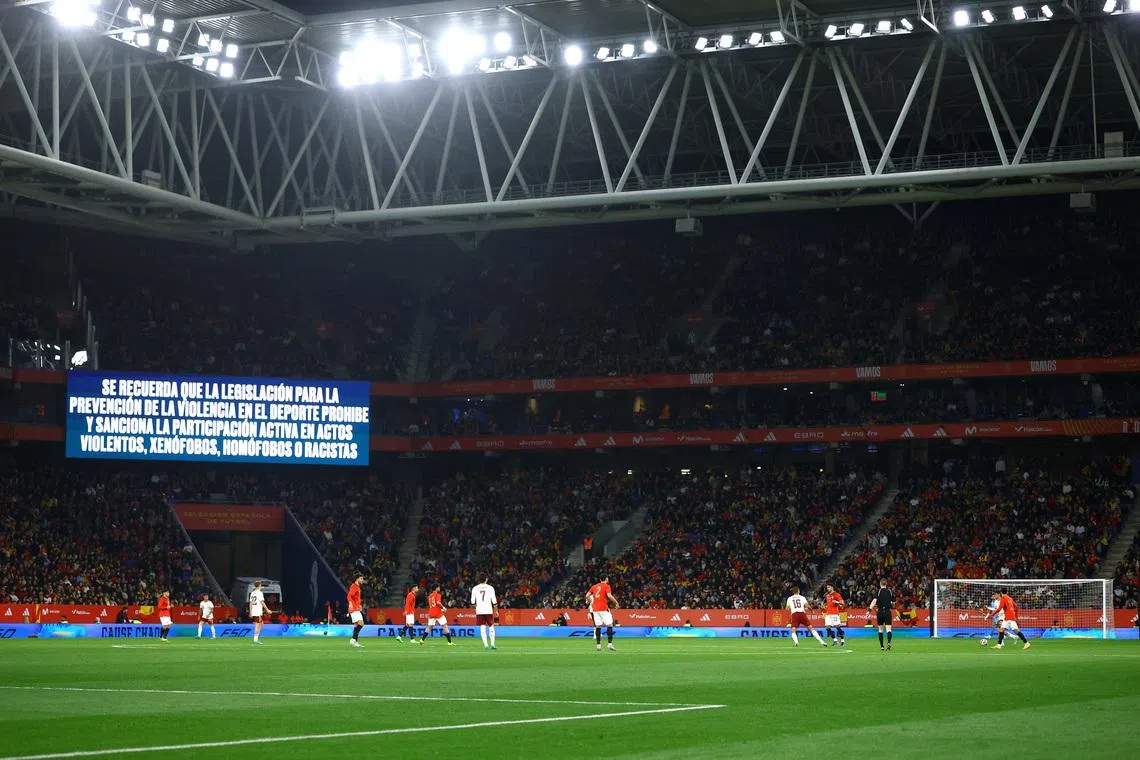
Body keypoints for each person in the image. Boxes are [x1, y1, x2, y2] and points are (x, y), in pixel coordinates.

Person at [587, 575, 619, 652]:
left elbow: (587, 595)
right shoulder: (606, 586)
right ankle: (610, 644)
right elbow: (609, 595)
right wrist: (616, 603)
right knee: (609, 625)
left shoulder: (594, 586)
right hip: (604, 608)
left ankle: (598, 645)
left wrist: (590, 602)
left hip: (595, 609)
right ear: (606, 579)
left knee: (597, 626)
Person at [471, 577, 498, 650]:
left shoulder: (475, 588)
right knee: (491, 626)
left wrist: (476, 608)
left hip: (479, 611)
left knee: (482, 627)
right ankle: (492, 644)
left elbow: (472, 602)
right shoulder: (490, 588)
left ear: (479, 580)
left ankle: (486, 645)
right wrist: (496, 611)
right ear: (486, 579)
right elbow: (494, 601)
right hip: (488, 610)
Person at [868, 579, 894, 651]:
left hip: (880, 612)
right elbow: (893, 602)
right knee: (888, 629)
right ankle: (888, 643)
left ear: (880, 584)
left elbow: (874, 601)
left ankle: (882, 646)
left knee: (880, 629)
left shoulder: (878, 591)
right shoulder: (889, 591)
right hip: (887, 611)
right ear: (886, 584)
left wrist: (870, 610)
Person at [249, 580, 271, 645]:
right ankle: (255, 639)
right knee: (258, 626)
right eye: (261, 585)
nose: (261, 586)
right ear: (259, 586)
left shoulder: (252, 593)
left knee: (261, 624)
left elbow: (250, 603)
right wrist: (267, 610)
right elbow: (262, 602)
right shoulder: (260, 593)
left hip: (254, 611)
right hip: (257, 611)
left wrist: (250, 612)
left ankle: (256, 637)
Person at [347, 575, 365, 648]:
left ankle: (355, 642)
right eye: (361, 578)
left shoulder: (357, 587)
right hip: (354, 608)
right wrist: (351, 604)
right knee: (361, 624)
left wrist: (359, 605)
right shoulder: (354, 586)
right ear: (357, 579)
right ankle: (353, 639)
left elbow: (355, 598)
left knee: (356, 625)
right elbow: (349, 595)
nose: (362, 580)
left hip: (356, 607)